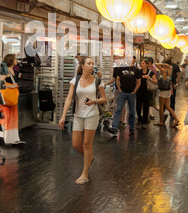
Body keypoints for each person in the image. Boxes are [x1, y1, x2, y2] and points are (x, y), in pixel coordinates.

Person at [59, 56, 106, 184]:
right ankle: (90, 157)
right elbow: (69, 98)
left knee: (86, 144)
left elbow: (103, 98)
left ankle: (85, 174)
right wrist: (63, 116)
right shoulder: (76, 80)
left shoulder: (97, 81)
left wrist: (94, 101)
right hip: (78, 114)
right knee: (75, 144)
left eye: (92, 63)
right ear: (83, 66)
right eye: (89, 63)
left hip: (92, 114)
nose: (91, 65)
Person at [109, 58, 142, 134]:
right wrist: (119, 89)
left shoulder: (136, 70)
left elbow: (139, 81)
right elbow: (117, 79)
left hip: (131, 93)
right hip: (122, 93)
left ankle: (131, 128)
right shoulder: (121, 68)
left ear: (133, 60)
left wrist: (134, 91)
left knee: (132, 112)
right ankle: (114, 127)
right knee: (118, 110)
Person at [0, 54, 21, 144]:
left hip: (12, 99)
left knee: (13, 118)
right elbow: (1, 82)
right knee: (6, 118)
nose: (16, 60)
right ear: (11, 60)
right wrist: (11, 86)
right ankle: (5, 138)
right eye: (15, 59)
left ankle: (12, 138)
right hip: (7, 99)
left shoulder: (14, 70)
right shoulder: (5, 71)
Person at [154, 62, 180, 127]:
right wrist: (167, 65)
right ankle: (176, 119)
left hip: (163, 91)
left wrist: (162, 63)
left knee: (161, 106)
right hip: (168, 91)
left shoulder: (163, 71)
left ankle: (160, 121)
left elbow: (156, 64)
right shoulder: (170, 70)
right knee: (167, 106)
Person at [136, 58, 157, 128]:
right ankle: (139, 118)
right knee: (138, 106)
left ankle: (144, 122)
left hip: (147, 92)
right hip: (139, 91)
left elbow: (155, 81)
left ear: (147, 65)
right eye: (141, 63)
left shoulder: (150, 72)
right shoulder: (138, 71)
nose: (141, 65)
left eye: (143, 63)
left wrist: (149, 78)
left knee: (146, 107)